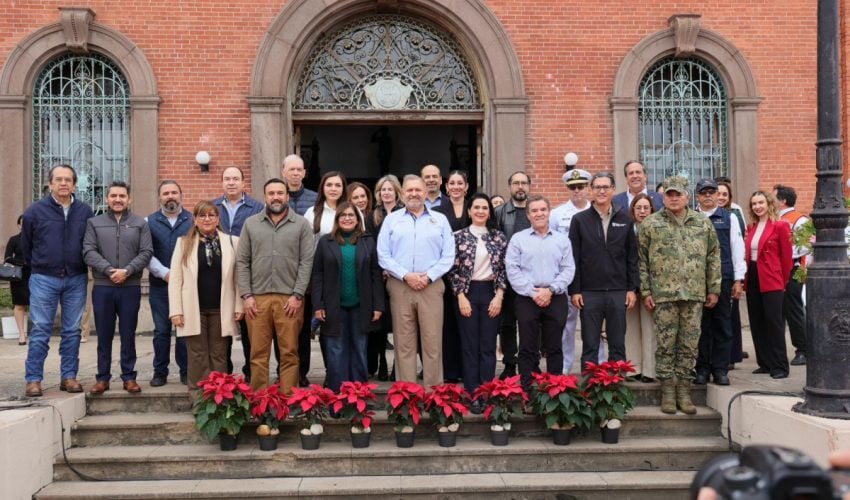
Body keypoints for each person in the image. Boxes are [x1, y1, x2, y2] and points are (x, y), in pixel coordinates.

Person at [638, 175, 720, 415]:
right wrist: (645, 291)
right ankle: (667, 391)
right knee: (665, 344)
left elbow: (713, 257)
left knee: (689, 345)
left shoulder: (702, 223)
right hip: (663, 295)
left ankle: (684, 390)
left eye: (678, 194)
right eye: (669, 194)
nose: (673, 199)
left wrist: (713, 288)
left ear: (687, 196)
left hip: (694, 294)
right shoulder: (651, 224)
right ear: (663, 197)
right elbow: (641, 260)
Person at [22, 164, 94, 397]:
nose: (63, 183)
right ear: (50, 183)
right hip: (44, 278)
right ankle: (33, 380)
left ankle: (69, 377)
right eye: (58, 179)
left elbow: (89, 244)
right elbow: (27, 246)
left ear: (74, 184)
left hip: (76, 277)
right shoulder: (35, 212)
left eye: (68, 180)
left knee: (72, 330)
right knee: (41, 329)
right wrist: (40, 266)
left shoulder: (85, 212)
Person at [377, 174, 455, 388]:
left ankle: (434, 396)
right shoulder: (392, 220)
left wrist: (428, 276)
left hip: (431, 286)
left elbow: (449, 255)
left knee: (432, 342)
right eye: (409, 190)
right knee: (404, 343)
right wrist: (405, 275)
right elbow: (383, 254)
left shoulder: (440, 220)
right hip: (400, 285)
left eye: (418, 190)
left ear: (425, 193)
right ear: (402, 193)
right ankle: (406, 395)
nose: (413, 193)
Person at [237, 178, 314, 393]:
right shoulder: (251, 224)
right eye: (271, 193)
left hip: (289, 299)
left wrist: (298, 294)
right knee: (258, 354)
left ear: (287, 196)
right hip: (257, 300)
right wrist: (246, 295)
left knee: (289, 352)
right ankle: (260, 400)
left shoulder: (301, 225)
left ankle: (288, 399)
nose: (276, 197)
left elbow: (307, 261)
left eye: (280, 193)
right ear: (265, 197)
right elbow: (242, 261)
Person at [83, 181, 153, 394]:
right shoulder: (94, 223)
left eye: (122, 196)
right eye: (113, 196)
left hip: (130, 286)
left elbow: (146, 252)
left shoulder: (140, 223)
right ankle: (102, 378)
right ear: (107, 198)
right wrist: (110, 270)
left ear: (129, 199)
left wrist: (128, 271)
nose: (117, 199)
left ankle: (129, 377)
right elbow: (88, 251)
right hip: (104, 287)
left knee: (128, 333)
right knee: (103, 334)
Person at [168, 201, 243, 392]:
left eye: (211, 215)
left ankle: (221, 400)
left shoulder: (232, 242)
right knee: (197, 356)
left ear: (218, 219)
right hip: (193, 309)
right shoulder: (183, 243)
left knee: (219, 355)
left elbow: (238, 278)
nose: (207, 219)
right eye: (202, 215)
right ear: (195, 220)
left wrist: (239, 306)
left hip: (221, 309)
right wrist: (176, 310)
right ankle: (199, 402)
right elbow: (175, 279)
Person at [311, 202, 384, 391]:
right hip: (333, 307)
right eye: (342, 215)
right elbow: (317, 274)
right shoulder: (326, 241)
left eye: (351, 215)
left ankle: (358, 397)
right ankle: (337, 396)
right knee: (336, 352)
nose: (347, 218)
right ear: (337, 219)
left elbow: (376, 274)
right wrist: (317, 305)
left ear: (358, 219)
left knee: (359, 351)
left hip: (361, 306)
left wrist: (378, 305)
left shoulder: (367, 241)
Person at [569, 171, 638, 372]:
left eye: (605, 187)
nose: (601, 191)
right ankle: (590, 389)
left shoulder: (625, 220)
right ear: (591, 190)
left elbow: (631, 257)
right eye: (597, 187)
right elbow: (574, 257)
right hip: (589, 292)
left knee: (617, 344)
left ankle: (616, 390)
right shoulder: (579, 220)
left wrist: (632, 288)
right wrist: (575, 290)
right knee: (590, 344)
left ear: (613, 190)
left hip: (618, 291)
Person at [506, 194, 575, 389]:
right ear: (528, 215)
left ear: (549, 212)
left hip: (556, 297)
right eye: (534, 211)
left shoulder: (562, 240)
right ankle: (528, 390)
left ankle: (554, 391)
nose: (539, 214)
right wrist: (533, 292)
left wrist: (551, 289)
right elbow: (512, 269)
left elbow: (568, 268)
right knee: (527, 347)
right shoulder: (518, 239)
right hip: (527, 298)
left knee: (554, 347)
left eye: (543, 210)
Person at [448, 193, 507, 408]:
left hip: (491, 293)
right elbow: (452, 270)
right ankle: (473, 394)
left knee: (488, 346)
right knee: (470, 346)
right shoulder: (458, 236)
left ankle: (487, 392)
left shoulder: (499, 237)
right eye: (476, 207)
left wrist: (499, 296)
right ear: (469, 211)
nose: (480, 211)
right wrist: (461, 296)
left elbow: (503, 269)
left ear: (489, 212)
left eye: (484, 207)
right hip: (467, 293)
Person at [213, 166, 264, 381]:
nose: (231, 182)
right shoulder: (212, 207)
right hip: (219, 276)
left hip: (248, 274)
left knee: (248, 327)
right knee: (222, 326)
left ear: (244, 183)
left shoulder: (257, 208)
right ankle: (223, 372)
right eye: (227, 179)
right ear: (222, 182)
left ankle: (251, 372)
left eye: (235, 179)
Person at [693, 179, 746, 386]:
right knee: (701, 326)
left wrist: (738, 279)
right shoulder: (692, 218)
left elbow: (737, 249)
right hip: (697, 279)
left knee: (723, 325)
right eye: (703, 192)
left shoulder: (729, 218)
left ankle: (721, 369)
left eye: (711, 192)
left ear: (717, 195)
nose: (708, 196)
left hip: (723, 277)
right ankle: (702, 368)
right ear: (697, 196)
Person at [549, 168, 598, 374]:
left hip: (592, 275)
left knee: (595, 324)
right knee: (566, 324)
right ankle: (565, 366)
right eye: (573, 187)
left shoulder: (597, 211)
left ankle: (597, 366)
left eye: (581, 186)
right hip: (566, 276)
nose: (577, 190)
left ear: (588, 188)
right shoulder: (557, 214)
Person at [302, 170, 347, 386]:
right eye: (329, 185)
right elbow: (307, 247)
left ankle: (344, 372)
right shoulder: (312, 213)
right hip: (323, 278)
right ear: (323, 188)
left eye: (337, 185)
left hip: (348, 278)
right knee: (326, 326)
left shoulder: (352, 210)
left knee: (346, 326)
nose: (333, 189)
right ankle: (331, 370)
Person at [147, 180, 193, 387]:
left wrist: (183, 275)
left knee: (184, 330)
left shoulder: (192, 220)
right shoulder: (149, 222)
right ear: (160, 197)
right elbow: (146, 252)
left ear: (181, 195)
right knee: (162, 330)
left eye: (174, 192)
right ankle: (160, 372)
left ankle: (186, 371)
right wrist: (165, 273)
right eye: (166, 193)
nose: (170, 196)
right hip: (160, 286)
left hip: (187, 286)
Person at [745, 191, 793, 379]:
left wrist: (783, 280)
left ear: (768, 204)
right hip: (753, 276)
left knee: (774, 323)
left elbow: (787, 257)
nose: (757, 206)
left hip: (772, 278)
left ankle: (780, 365)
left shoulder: (780, 226)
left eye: (761, 202)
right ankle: (764, 363)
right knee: (757, 322)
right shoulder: (752, 227)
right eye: (754, 203)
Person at [492, 171, 532, 378]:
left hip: (531, 279)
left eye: (524, 183)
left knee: (530, 324)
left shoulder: (535, 211)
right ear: (509, 186)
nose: (520, 187)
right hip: (507, 279)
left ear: (529, 186)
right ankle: (509, 365)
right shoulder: (499, 212)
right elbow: (495, 248)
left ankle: (531, 364)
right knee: (507, 325)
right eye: (516, 183)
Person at [365, 174, 404, 381]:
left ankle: (399, 365)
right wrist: (382, 267)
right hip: (380, 276)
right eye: (383, 190)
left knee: (401, 323)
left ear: (397, 192)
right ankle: (381, 361)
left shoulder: (405, 214)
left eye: (390, 189)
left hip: (400, 276)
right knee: (380, 323)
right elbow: (371, 245)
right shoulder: (373, 216)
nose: (386, 193)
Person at [434, 170, 470, 383]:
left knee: (467, 326)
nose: (456, 187)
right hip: (445, 276)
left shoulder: (475, 207)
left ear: (466, 186)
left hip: (471, 277)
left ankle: (467, 370)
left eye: (460, 183)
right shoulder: (438, 212)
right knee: (447, 325)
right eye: (452, 183)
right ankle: (449, 372)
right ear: (446, 187)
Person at [773, 184, 809, 366]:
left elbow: (804, 245)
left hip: (793, 269)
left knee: (793, 310)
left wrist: (784, 253)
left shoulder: (799, 219)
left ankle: (802, 349)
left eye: (773, 198)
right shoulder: (774, 218)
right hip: (776, 270)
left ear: (783, 200)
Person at [715, 179, 748, 366]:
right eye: (718, 193)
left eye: (724, 194)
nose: (720, 197)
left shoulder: (734, 214)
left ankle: (731, 356)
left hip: (728, 272)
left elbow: (738, 245)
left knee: (730, 318)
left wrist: (739, 277)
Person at [625, 194, 657, 382]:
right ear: (633, 211)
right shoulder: (627, 229)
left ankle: (649, 370)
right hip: (630, 285)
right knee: (631, 328)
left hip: (650, 287)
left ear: (652, 209)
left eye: (646, 207)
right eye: (639, 208)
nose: (642, 211)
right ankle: (633, 368)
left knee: (649, 327)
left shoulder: (657, 230)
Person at [5, 215, 30, 345]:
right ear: (18, 225)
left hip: (37, 275)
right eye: (22, 224)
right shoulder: (14, 240)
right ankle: (21, 335)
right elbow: (7, 258)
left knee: (39, 305)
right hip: (18, 276)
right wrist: (23, 262)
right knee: (20, 305)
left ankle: (38, 334)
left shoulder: (37, 239)